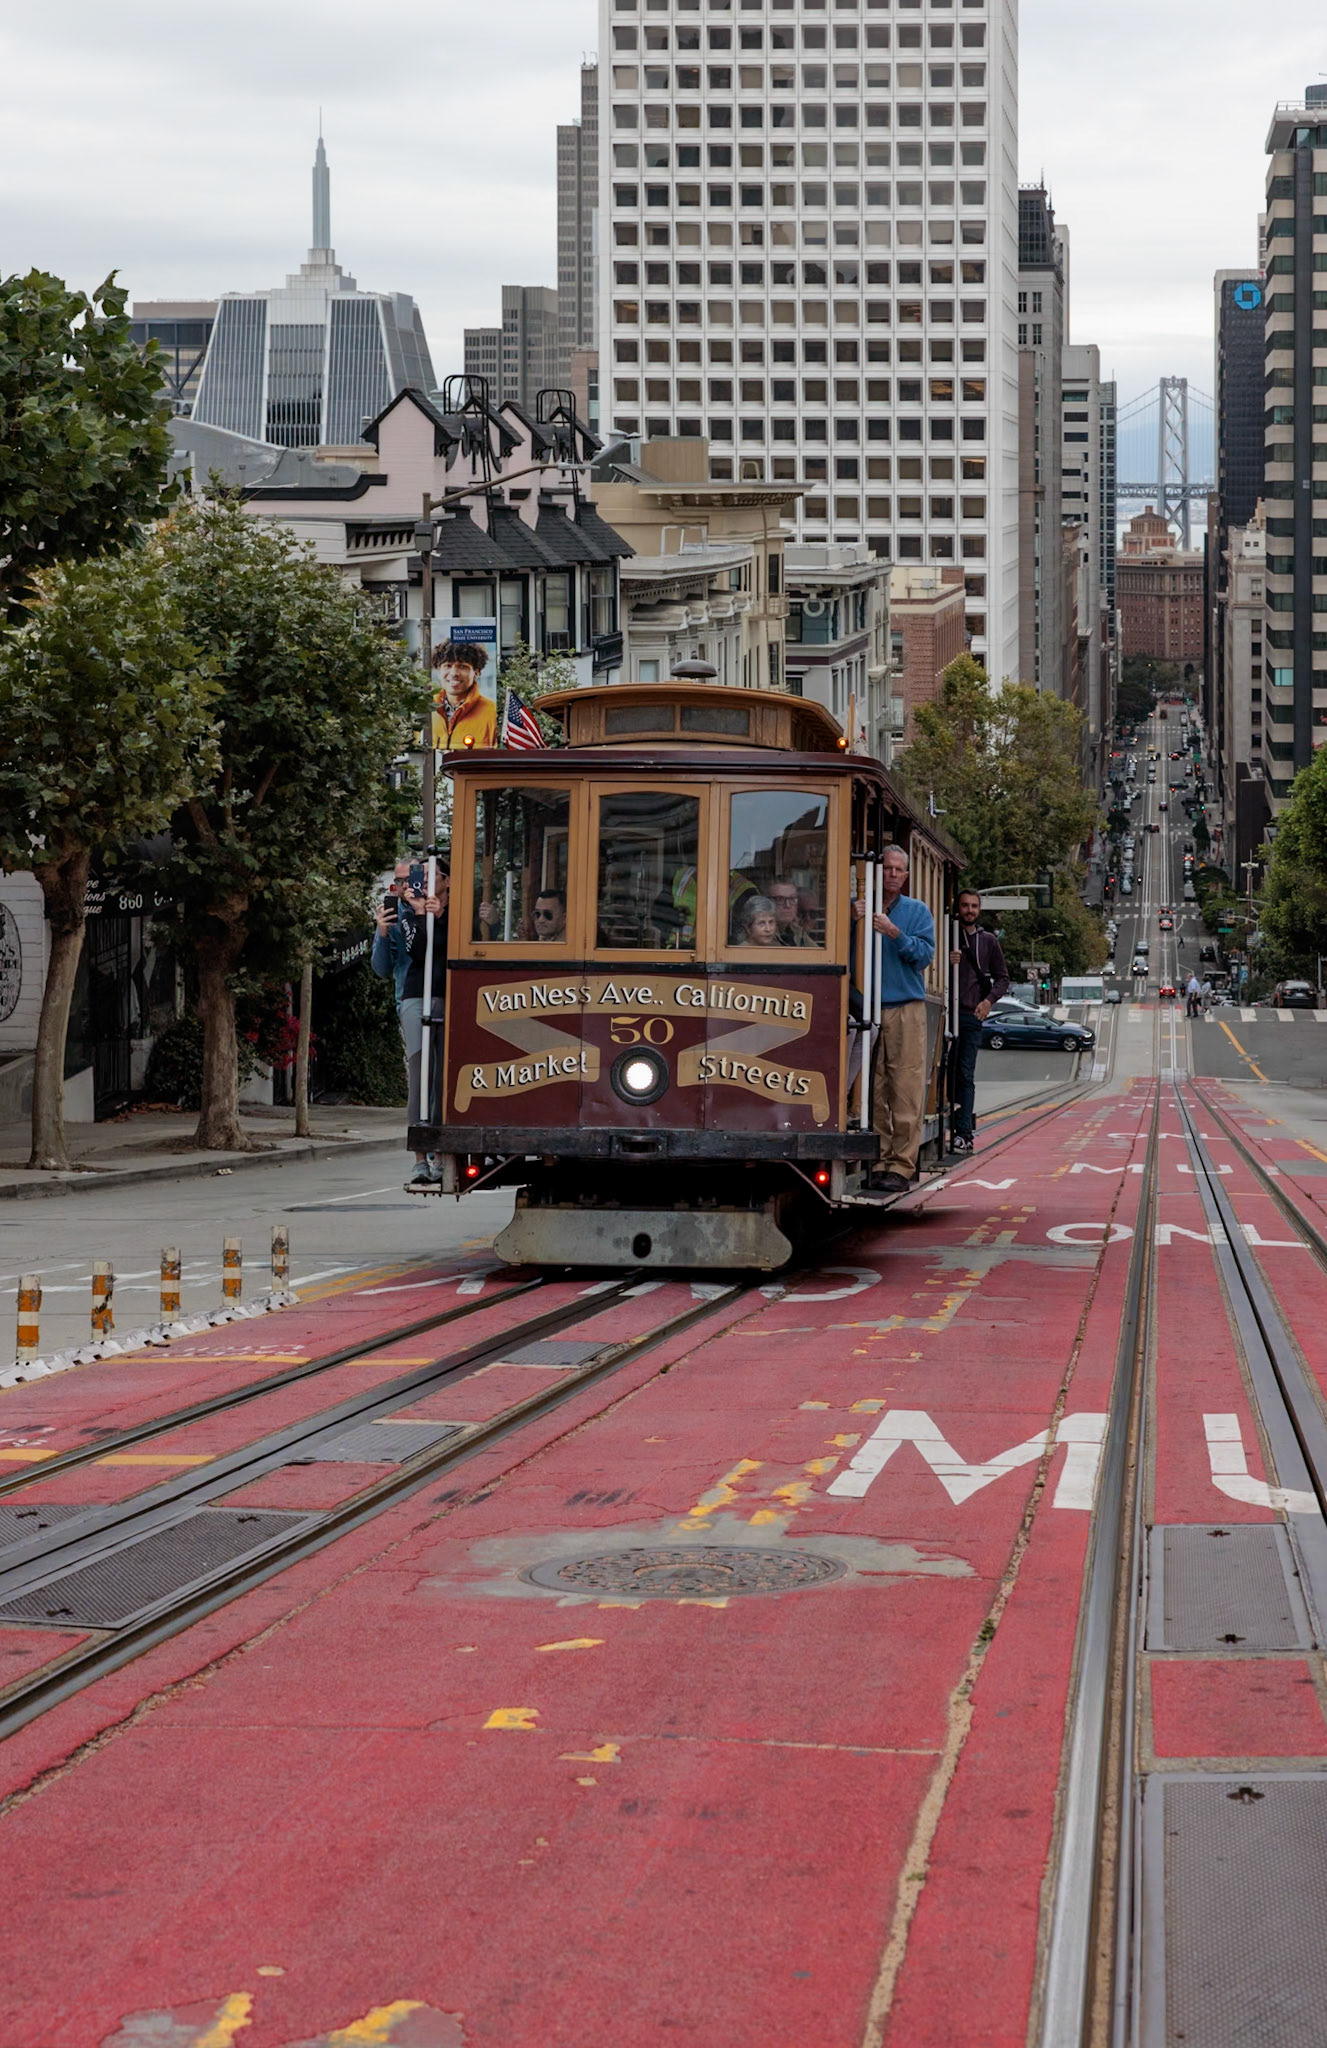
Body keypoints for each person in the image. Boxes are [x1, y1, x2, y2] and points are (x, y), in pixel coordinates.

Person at [852, 845, 936, 1193]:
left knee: (905, 1087)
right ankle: (881, 1158)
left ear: (906, 876)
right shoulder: (860, 907)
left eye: (899, 870)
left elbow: (924, 956)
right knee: (874, 1088)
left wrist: (894, 933)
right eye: (887, 868)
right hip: (866, 1008)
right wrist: (851, 919)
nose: (892, 874)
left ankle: (902, 1165)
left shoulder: (917, 912)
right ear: (877, 871)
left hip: (905, 1008)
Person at [372, 860, 448, 1187]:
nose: (407, 886)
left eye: (412, 879)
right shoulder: (399, 914)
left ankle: (441, 1151)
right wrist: (382, 930)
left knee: (442, 1076)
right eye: (400, 881)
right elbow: (382, 967)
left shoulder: (441, 909)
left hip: (444, 995)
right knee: (419, 1075)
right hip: (412, 997)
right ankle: (421, 1155)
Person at [948, 888, 1010, 1157]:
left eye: (974, 906)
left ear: (979, 909)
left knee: (965, 1074)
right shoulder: (947, 935)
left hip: (971, 1015)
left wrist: (988, 1002)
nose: (969, 910)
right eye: (965, 905)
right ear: (957, 907)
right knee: (943, 1072)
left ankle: (964, 1133)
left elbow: (1003, 978)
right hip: (946, 1012)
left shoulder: (988, 941)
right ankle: (945, 1123)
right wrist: (945, 960)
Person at [431, 641, 497, 752]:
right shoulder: (426, 710)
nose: (454, 673)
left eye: (462, 666)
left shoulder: (491, 712)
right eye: (448, 665)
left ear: (476, 673)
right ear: (438, 671)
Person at [769, 880, 814, 947]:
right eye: (780, 899)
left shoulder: (797, 931)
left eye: (792, 899)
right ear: (768, 902)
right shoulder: (764, 933)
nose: (788, 905)